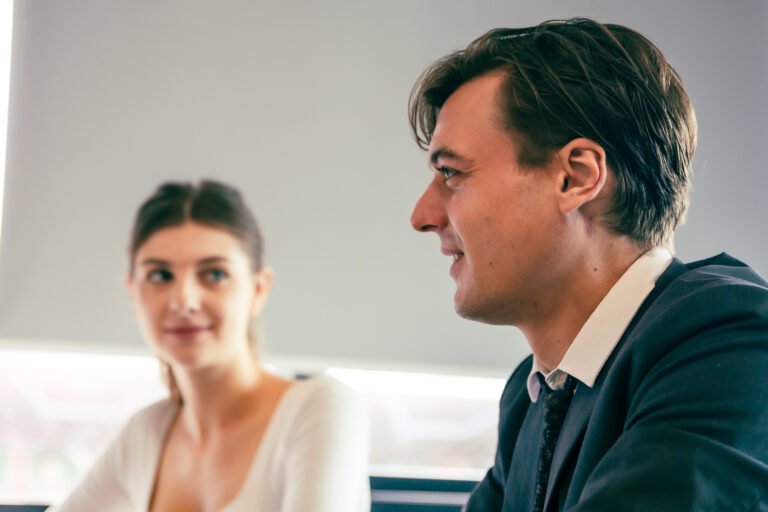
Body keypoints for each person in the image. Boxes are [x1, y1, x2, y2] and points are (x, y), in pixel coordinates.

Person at [408, 17, 768, 511]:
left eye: (452, 173)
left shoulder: (730, 338)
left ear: (576, 177)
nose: (421, 216)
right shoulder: (528, 397)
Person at [52, 180, 370, 511]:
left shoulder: (320, 409)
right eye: (160, 275)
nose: (183, 301)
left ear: (259, 289)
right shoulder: (145, 434)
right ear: (133, 292)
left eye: (215, 275)